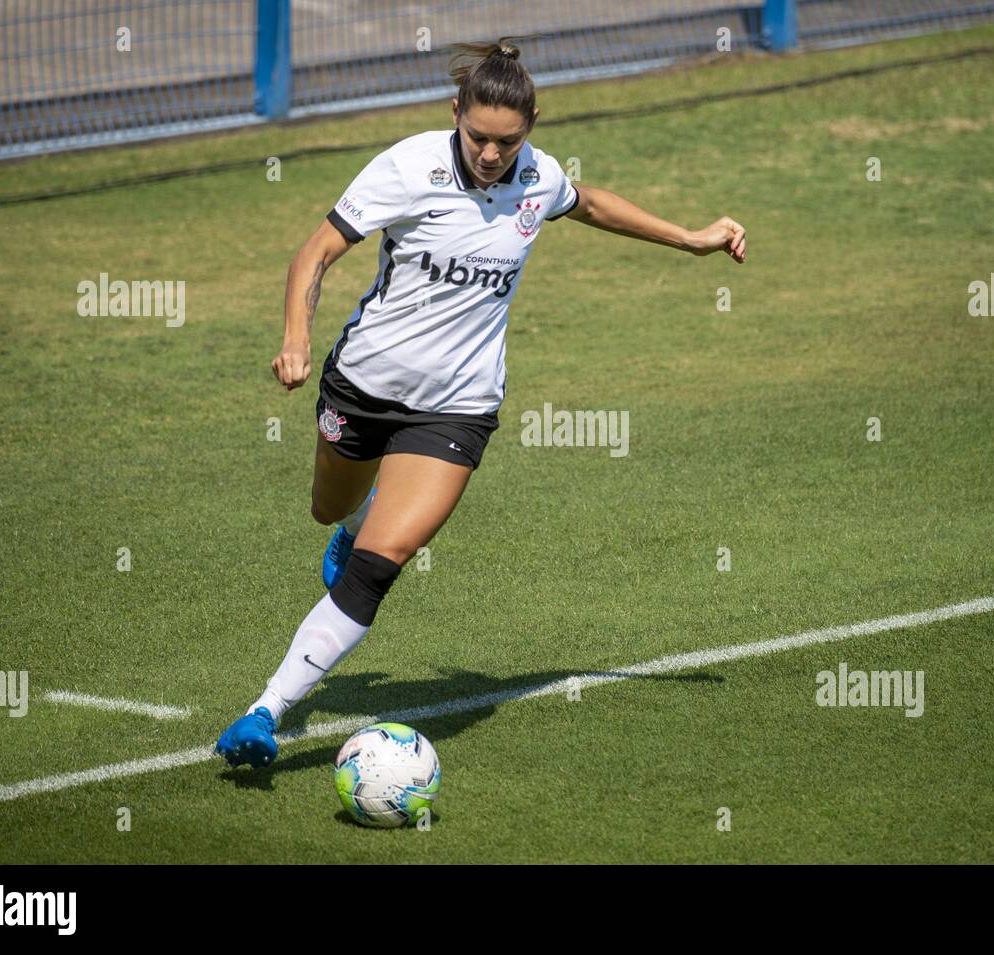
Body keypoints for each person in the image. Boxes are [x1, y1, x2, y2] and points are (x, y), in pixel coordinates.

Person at [216, 37, 746, 767]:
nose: (493, 155)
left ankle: (264, 712)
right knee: (329, 510)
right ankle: (356, 522)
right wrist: (295, 339)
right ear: (455, 111)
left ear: (529, 129)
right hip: (363, 387)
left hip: (459, 406)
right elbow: (315, 253)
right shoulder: (407, 169)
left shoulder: (538, 175)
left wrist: (689, 238)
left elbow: (585, 202)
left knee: (385, 560)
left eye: (509, 141)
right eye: (479, 138)